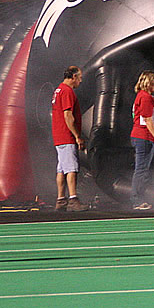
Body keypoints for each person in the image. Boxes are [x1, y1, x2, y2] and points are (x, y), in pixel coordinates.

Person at [51, 65, 88, 212]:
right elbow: (68, 115)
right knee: (71, 168)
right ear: (73, 77)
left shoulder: (58, 90)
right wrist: (77, 136)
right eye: (79, 77)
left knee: (61, 169)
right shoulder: (67, 91)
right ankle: (73, 199)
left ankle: (61, 199)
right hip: (66, 135)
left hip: (59, 135)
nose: (80, 80)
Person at [130, 70, 154, 210]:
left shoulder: (144, 96)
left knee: (143, 169)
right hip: (143, 136)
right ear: (148, 82)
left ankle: (139, 198)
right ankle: (136, 199)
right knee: (141, 168)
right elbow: (147, 119)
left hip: (143, 136)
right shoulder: (144, 97)